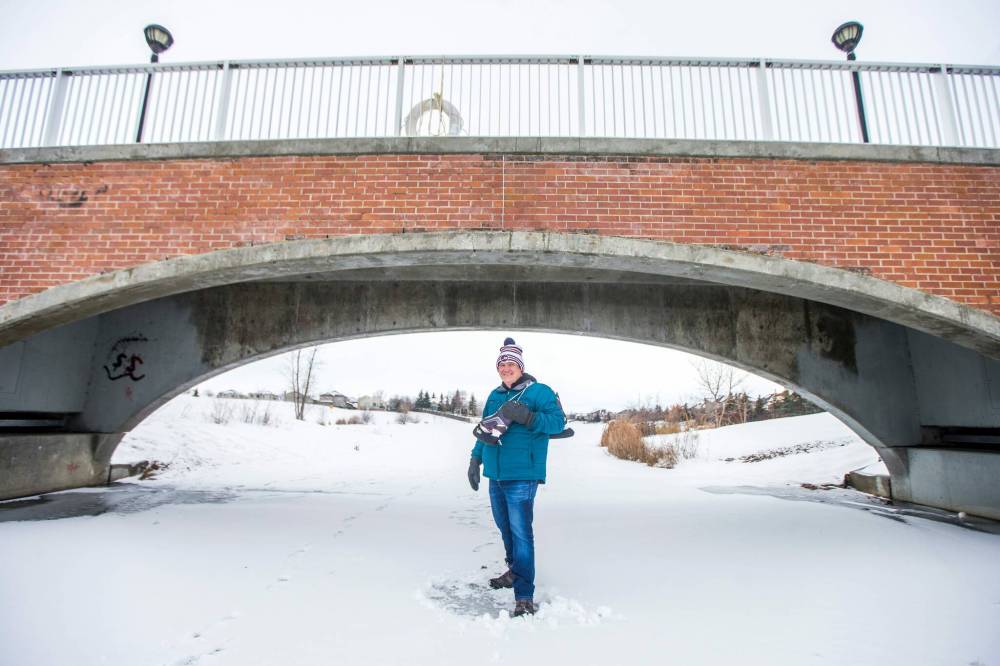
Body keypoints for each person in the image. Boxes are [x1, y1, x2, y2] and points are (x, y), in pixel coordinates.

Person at [467, 337, 566, 617]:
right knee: (505, 528)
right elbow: (486, 431)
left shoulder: (539, 392)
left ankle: (524, 595)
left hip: (523, 474)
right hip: (495, 474)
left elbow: (559, 423)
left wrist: (529, 417)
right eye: (503, 364)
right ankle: (514, 569)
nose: (507, 368)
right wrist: (475, 459)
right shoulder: (495, 396)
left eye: (511, 363)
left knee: (522, 532)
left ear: (520, 366)